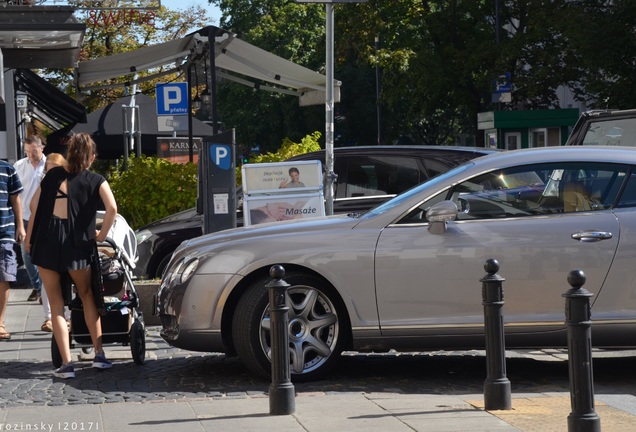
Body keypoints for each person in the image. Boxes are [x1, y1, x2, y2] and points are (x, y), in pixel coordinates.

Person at [25, 133, 117, 378]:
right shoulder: (95, 179)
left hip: (46, 240)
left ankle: (66, 364)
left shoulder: (52, 175)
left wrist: (28, 238)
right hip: (77, 243)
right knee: (87, 296)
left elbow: (34, 206)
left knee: (56, 303)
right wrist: (101, 235)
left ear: (69, 154)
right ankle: (98, 354)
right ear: (92, 157)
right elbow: (112, 208)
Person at [37, 153, 70, 333]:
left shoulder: (67, 183)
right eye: (48, 170)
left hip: (59, 236)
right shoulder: (45, 184)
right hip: (50, 236)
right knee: (48, 281)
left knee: (64, 278)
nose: (50, 173)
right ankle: (50, 317)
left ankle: (66, 317)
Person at [14, 135, 46, 304]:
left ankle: (42, 290)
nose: (31, 155)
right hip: (25, 216)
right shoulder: (19, 166)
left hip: (45, 217)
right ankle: (38, 286)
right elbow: (14, 193)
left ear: (42, 148)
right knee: (26, 255)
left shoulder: (50, 166)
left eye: (33, 151)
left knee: (44, 254)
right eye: (27, 151)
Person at [0, 161, 25, 341]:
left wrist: (20, 226)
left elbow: (15, 198)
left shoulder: (7, 169)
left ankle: (0, 323)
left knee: (4, 277)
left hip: (5, 230)